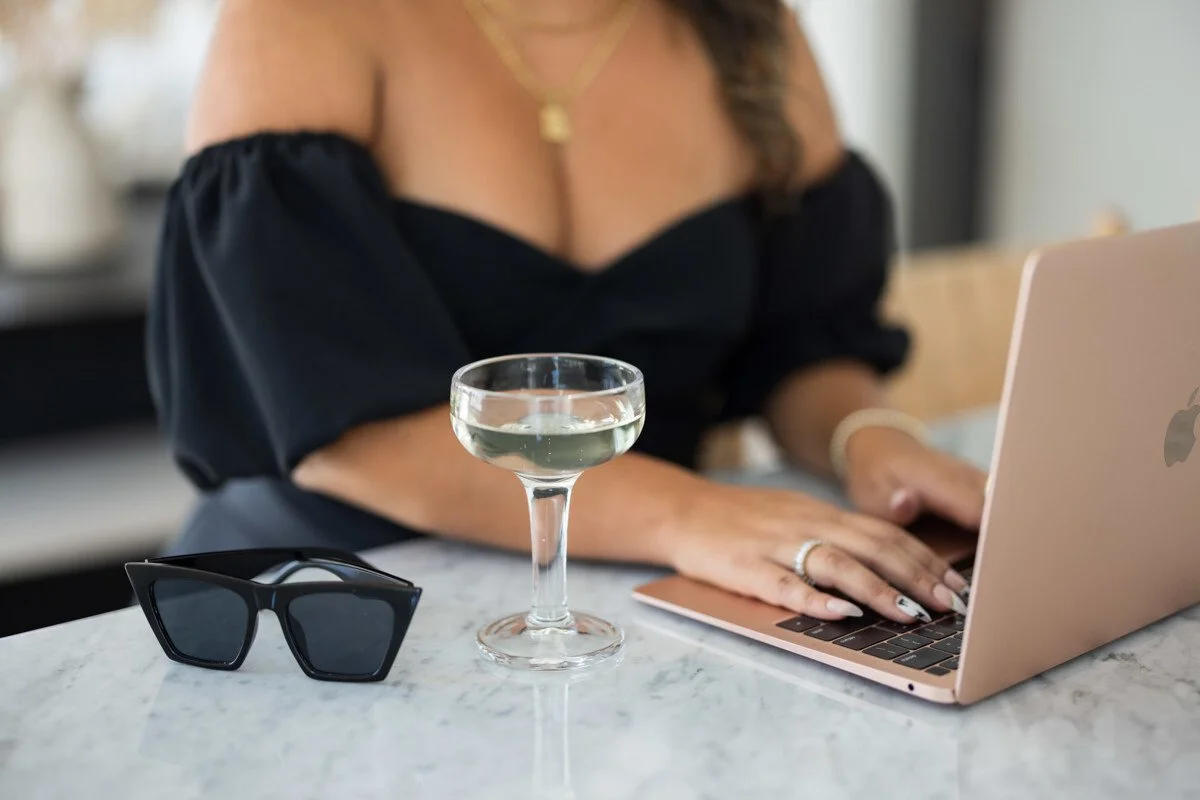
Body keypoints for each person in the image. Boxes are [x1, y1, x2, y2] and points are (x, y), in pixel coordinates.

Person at [149, 0, 987, 627]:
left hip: (640, 599)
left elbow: (803, 341)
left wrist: (869, 439)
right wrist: (687, 512)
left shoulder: (749, 27)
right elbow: (345, 427)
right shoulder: (303, 16)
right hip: (325, 607)